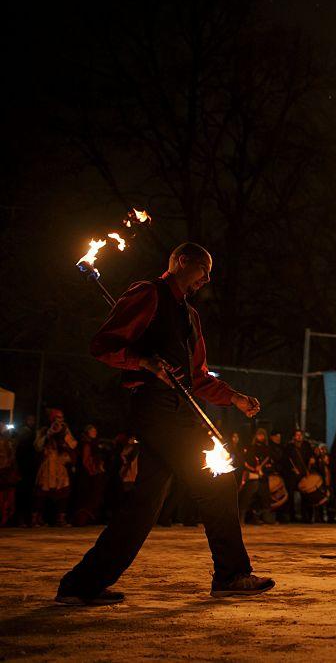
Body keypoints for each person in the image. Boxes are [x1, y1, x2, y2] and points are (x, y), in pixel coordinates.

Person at [57, 242, 272, 605]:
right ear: (181, 262)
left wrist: (233, 397)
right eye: (204, 269)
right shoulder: (148, 293)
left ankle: (81, 584)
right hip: (155, 408)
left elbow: (197, 377)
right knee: (217, 480)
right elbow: (103, 345)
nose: (208, 278)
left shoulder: (189, 316)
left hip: (178, 408)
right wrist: (144, 363)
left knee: (145, 504)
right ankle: (231, 574)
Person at [32, 408, 77, 527]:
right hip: (47, 463)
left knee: (63, 491)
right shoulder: (44, 430)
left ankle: (60, 518)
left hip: (59, 464)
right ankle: (36, 518)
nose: (60, 420)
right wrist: (49, 434)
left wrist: (64, 437)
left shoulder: (65, 429)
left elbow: (73, 444)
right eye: (58, 417)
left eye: (61, 418)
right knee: (42, 491)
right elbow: (37, 445)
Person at [72, 424, 107, 526]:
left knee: (93, 496)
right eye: (92, 431)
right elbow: (86, 460)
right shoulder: (87, 444)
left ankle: (88, 519)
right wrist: (93, 471)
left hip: (93, 473)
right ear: (88, 432)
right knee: (88, 496)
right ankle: (82, 519)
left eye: (95, 431)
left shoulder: (93, 443)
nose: (95, 433)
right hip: (89, 475)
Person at [238, 429, 272, 524]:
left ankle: (261, 517)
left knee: (263, 494)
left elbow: (269, 462)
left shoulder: (267, 448)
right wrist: (253, 468)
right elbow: (246, 461)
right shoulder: (251, 448)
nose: (261, 437)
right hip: (252, 476)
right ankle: (243, 516)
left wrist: (263, 468)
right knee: (249, 493)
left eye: (262, 435)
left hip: (262, 476)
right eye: (259, 435)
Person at [0, 427, 19, 526]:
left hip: (7, 472)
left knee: (8, 497)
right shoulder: (5, 443)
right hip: (3, 471)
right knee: (3, 497)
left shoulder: (10, 443)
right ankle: (4, 517)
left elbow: (12, 458)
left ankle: (6, 518)